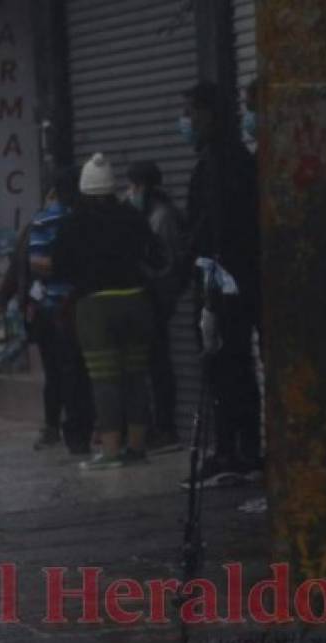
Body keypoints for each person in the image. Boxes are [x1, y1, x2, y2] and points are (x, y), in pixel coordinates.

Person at [54, 153, 162, 470]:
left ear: (84, 189)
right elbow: (155, 255)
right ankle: (138, 448)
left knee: (105, 381)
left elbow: (60, 267)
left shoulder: (75, 222)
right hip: (136, 303)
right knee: (135, 378)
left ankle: (112, 451)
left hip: (96, 308)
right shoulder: (131, 215)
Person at [179, 81, 262, 487]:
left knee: (228, 366)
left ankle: (236, 450)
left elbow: (219, 236)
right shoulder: (221, 160)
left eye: (192, 113)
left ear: (212, 114)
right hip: (225, 283)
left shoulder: (223, 164)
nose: (187, 122)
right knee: (230, 367)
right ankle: (236, 447)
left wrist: (212, 298)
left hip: (225, 286)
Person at [0, 167, 95, 454]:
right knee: (71, 370)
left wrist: (8, 299)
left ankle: (63, 428)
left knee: (60, 372)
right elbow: (22, 266)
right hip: (65, 309)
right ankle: (67, 428)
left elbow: (26, 265)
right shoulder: (69, 221)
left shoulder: (42, 222)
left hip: (51, 308)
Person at [126, 160, 187, 451]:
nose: (130, 192)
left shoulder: (162, 218)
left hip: (156, 301)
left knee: (159, 366)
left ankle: (166, 428)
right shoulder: (146, 215)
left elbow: (167, 265)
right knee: (150, 364)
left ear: (143, 186)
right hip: (145, 300)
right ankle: (152, 427)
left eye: (133, 186)